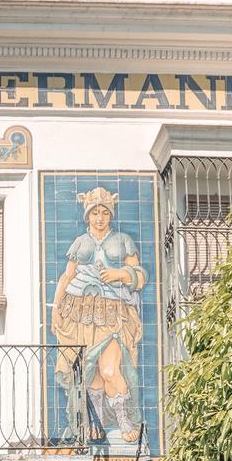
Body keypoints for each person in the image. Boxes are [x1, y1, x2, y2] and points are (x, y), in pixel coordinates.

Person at [51, 185, 147, 447]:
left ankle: (124, 419)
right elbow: (67, 276)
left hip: (112, 312)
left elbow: (139, 275)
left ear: (110, 215)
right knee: (90, 372)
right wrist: (55, 308)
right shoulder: (80, 243)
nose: (100, 217)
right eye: (95, 213)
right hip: (80, 313)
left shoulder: (123, 240)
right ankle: (97, 422)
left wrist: (119, 275)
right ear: (88, 215)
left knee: (108, 369)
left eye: (104, 212)